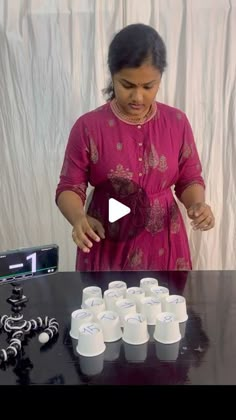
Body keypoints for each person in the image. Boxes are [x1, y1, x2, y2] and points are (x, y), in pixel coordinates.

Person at [55, 23, 215, 271]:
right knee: (109, 307)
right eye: (127, 85)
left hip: (165, 242)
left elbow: (189, 178)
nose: (137, 97)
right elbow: (69, 186)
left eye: (148, 86)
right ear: (113, 75)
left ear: (160, 79)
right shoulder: (88, 127)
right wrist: (79, 218)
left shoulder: (176, 123)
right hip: (109, 242)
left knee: (164, 307)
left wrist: (197, 205)